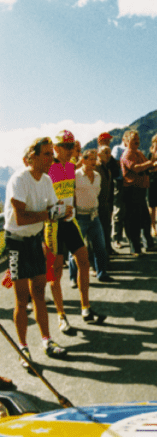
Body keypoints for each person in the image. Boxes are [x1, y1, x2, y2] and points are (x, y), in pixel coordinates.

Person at [5, 137, 69, 369]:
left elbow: (55, 209)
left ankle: (47, 340)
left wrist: (62, 212)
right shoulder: (19, 180)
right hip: (17, 242)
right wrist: (51, 213)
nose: (51, 158)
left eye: (52, 154)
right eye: (46, 154)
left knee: (40, 292)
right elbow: (21, 218)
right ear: (32, 157)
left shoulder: (45, 180)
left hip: (34, 240)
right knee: (22, 299)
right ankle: (23, 349)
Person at [46, 130, 106, 334]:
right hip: (52, 224)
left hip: (70, 221)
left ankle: (86, 308)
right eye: (68, 147)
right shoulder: (49, 168)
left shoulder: (71, 167)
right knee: (55, 271)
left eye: (73, 147)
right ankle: (61, 316)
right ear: (57, 148)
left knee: (84, 260)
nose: (72, 150)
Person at [68, 148, 114, 285]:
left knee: (100, 246)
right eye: (91, 159)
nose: (94, 162)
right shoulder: (75, 175)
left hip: (94, 216)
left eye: (95, 159)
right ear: (83, 160)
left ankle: (102, 273)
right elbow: (71, 195)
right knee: (75, 249)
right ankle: (73, 278)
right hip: (80, 216)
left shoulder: (97, 176)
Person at [121, 130, 157, 256]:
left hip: (140, 190)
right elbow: (136, 168)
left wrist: (155, 162)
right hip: (132, 191)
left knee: (145, 219)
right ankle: (135, 249)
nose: (137, 140)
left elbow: (148, 166)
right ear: (127, 141)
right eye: (134, 138)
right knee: (133, 221)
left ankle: (149, 244)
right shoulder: (127, 154)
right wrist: (151, 162)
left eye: (138, 138)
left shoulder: (138, 152)